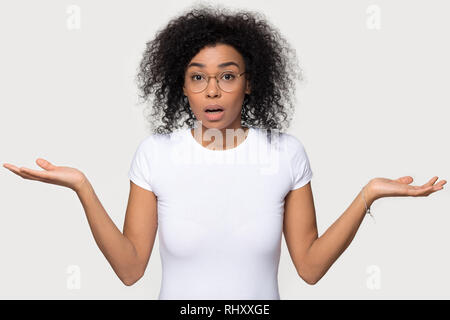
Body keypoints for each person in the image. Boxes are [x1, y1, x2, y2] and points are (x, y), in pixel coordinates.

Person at [2, 5, 446, 300]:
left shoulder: (285, 153)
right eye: (198, 77)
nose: (212, 90)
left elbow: (309, 268)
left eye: (228, 76)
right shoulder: (155, 154)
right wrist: (82, 187)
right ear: (182, 86)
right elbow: (130, 269)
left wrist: (367, 194)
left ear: (250, 83)